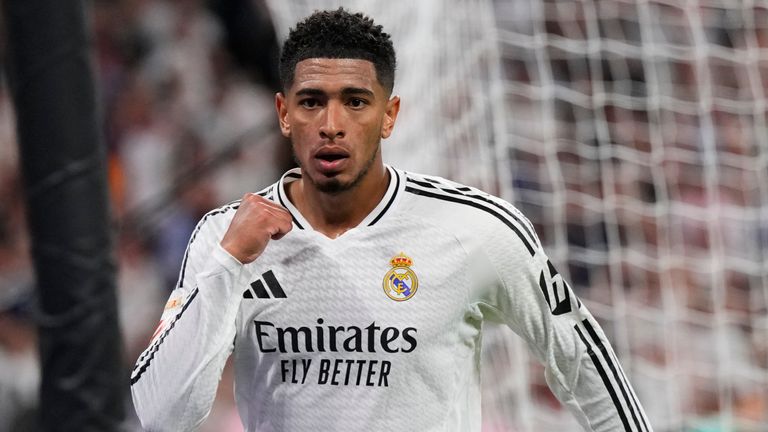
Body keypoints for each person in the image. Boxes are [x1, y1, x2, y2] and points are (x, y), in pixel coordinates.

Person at [130, 8, 652, 432]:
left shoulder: (475, 228)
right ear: (284, 112)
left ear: (390, 114)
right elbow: (161, 416)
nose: (331, 125)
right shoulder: (227, 236)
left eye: (355, 102)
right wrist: (228, 264)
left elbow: (583, 362)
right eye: (311, 102)